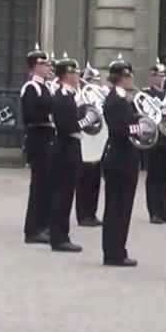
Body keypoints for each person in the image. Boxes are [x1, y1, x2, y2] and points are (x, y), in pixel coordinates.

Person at [100, 56, 144, 268]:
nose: (131, 79)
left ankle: (117, 250)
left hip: (122, 156)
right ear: (120, 78)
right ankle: (114, 253)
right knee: (118, 207)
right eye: (128, 76)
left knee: (120, 207)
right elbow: (120, 130)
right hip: (120, 157)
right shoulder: (116, 101)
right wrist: (142, 127)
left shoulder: (122, 99)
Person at [48, 54, 93, 254]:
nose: (77, 76)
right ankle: (59, 237)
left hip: (68, 146)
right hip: (66, 147)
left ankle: (61, 235)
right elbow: (68, 126)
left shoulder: (67, 96)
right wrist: (88, 121)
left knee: (65, 193)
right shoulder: (63, 97)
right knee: (63, 194)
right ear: (66, 75)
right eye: (75, 72)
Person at [20, 45, 55, 244]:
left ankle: (44, 224)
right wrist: (51, 115)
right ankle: (32, 229)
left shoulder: (46, 87)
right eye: (43, 64)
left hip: (47, 139)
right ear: (34, 67)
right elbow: (30, 115)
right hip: (37, 139)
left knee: (47, 186)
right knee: (38, 186)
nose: (47, 67)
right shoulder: (31, 88)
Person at [143, 60, 166, 225]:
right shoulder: (146, 95)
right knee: (154, 178)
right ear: (152, 77)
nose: (162, 78)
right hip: (155, 140)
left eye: (164, 75)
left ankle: (164, 211)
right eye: (159, 75)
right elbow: (145, 117)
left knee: (165, 178)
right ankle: (154, 212)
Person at [75, 63, 106, 227]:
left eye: (97, 80)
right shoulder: (80, 96)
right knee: (83, 180)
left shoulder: (101, 95)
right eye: (92, 80)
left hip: (98, 141)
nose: (95, 83)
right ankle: (83, 214)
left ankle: (91, 213)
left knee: (95, 180)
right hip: (85, 141)